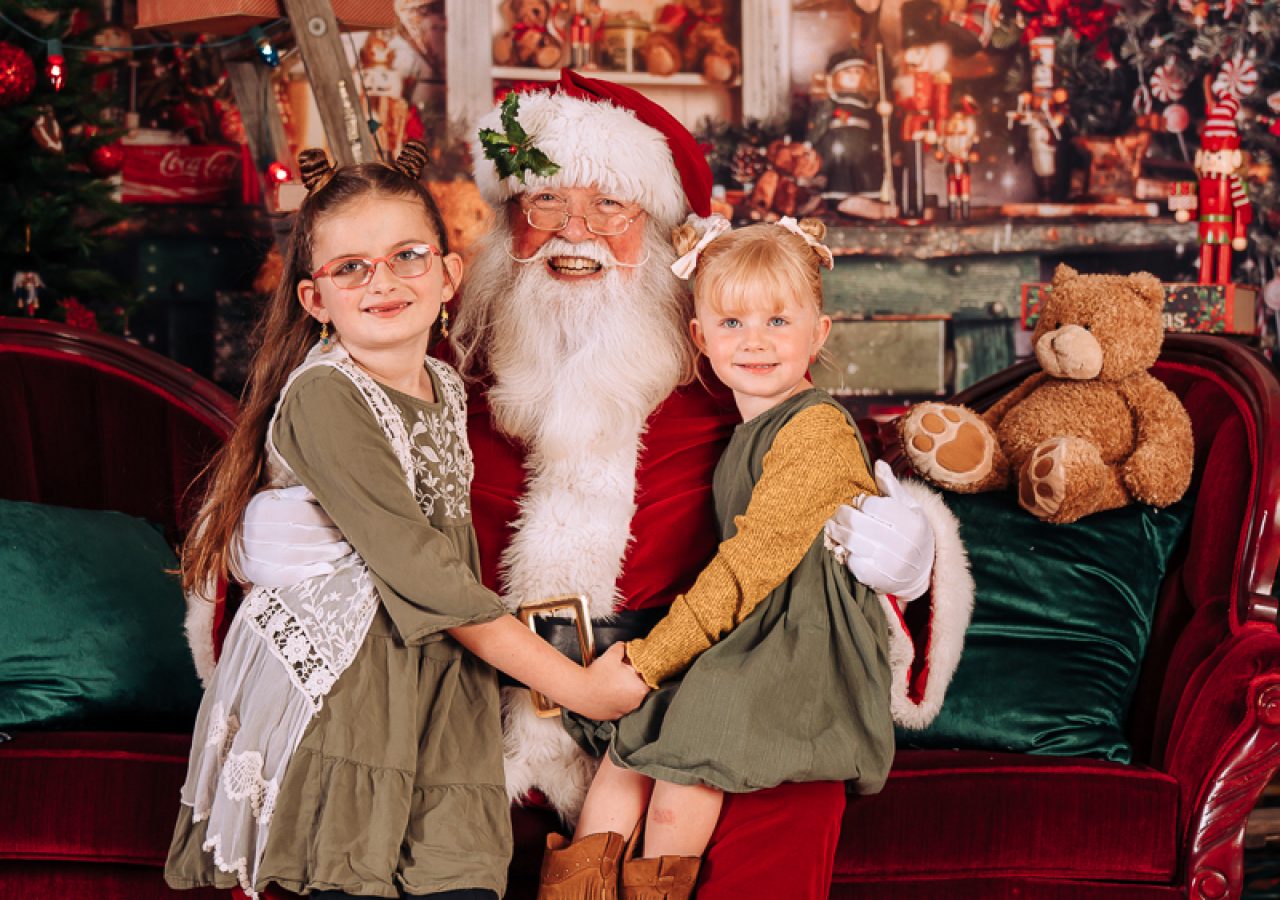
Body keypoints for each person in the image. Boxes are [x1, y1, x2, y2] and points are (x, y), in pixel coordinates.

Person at [233, 70, 973, 898]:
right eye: (544, 201)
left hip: (683, 693)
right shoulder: (434, 377)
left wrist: (905, 558)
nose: (574, 231)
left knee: (779, 811)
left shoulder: (735, 380)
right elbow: (348, 539)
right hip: (478, 713)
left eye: (613, 204)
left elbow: (829, 497)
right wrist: (274, 542)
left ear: (661, 231)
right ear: (504, 224)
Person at [165, 140, 648, 900]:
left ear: (449, 276)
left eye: (406, 256)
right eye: (350, 267)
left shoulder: (445, 388)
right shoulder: (326, 396)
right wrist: (578, 689)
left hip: (438, 688)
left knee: (459, 879)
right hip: (351, 694)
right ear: (315, 300)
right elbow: (426, 574)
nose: (381, 281)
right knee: (351, 879)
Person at [540, 215, 897, 898]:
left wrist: (649, 660)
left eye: (777, 321)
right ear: (700, 338)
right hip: (754, 631)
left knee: (686, 757)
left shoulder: (816, 429)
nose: (754, 341)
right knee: (625, 752)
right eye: (731, 324)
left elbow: (749, 568)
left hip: (802, 644)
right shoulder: (746, 428)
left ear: (818, 334)